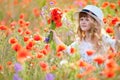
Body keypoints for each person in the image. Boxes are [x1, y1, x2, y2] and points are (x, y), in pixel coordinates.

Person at [51, 5, 120, 64]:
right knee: (63, 63)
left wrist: (117, 30)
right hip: (84, 74)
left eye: (87, 20)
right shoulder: (80, 41)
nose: (83, 22)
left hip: (98, 74)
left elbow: (117, 46)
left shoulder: (102, 38)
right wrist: (55, 37)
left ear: (95, 23)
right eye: (81, 19)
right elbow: (67, 50)